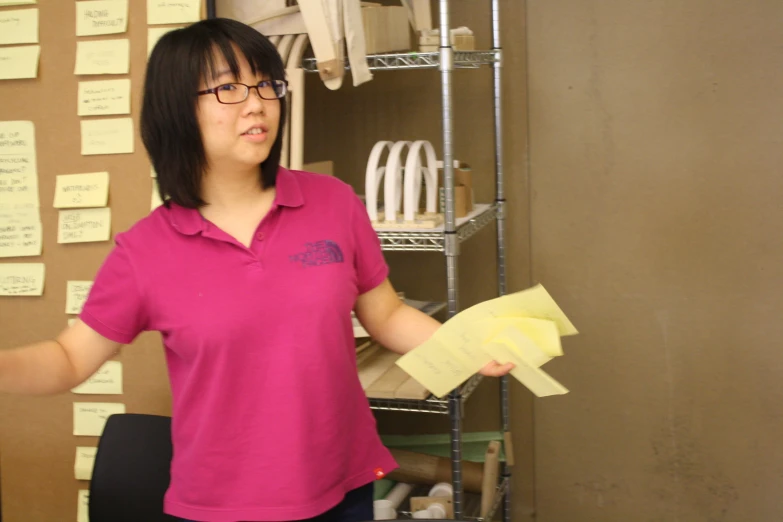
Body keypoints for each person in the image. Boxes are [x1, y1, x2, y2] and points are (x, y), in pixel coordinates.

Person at [0, 18, 512, 522]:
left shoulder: (333, 203)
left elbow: (387, 315)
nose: (258, 102)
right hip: (221, 504)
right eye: (228, 87)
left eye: (266, 83)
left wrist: (467, 346)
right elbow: (69, 359)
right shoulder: (145, 251)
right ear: (177, 110)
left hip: (342, 486)